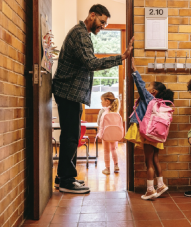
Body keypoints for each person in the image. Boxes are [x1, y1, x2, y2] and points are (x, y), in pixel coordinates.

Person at [52, 4, 134, 194]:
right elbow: (91, 62)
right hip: (68, 92)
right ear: (92, 15)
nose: (103, 26)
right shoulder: (80, 34)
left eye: (105, 24)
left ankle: (64, 176)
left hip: (72, 93)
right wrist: (121, 57)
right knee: (71, 136)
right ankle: (66, 180)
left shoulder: (83, 34)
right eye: (102, 22)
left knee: (71, 135)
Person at [125, 58, 174, 200]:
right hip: (158, 134)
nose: (146, 89)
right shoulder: (162, 103)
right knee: (155, 159)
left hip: (149, 133)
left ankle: (150, 191)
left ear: (153, 91)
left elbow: (140, 85)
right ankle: (161, 185)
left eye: (149, 88)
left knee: (149, 162)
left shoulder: (149, 98)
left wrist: (134, 70)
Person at [98, 92, 120, 175]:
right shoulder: (116, 111)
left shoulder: (104, 112)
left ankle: (107, 168)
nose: (101, 102)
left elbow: (99, 123)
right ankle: (116, 165)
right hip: (114, 134)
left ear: (107, 101)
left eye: (102, 100)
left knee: (106, 151)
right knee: (113, 149)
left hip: (105, 134)